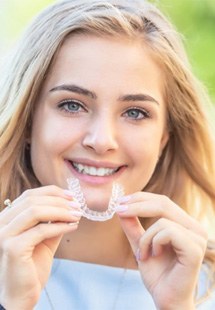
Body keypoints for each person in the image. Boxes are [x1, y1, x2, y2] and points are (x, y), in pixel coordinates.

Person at [0, 0, 215, 309]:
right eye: (72, 105)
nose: (102, 141)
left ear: (165, 137)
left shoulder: (203, 286)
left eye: (136, 112)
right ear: (27, 121)